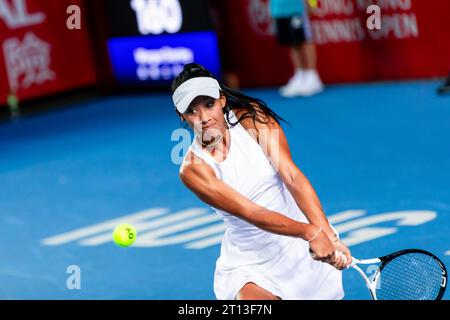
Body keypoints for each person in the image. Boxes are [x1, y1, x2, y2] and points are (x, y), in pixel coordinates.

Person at [172, 63, 352, 300]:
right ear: (182, 116)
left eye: (209, 104)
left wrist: (327, 234)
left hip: (300, 248)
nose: (204, 118)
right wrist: (310, 232)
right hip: (252, 263)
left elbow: (291, 175)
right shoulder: (193, 169)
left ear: (222, 100)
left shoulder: (252, 118)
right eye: (192, 111)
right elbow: (251, 211)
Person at [269, 0, 323, 97]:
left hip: (297, 8)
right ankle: (300, 74)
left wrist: (312, 3)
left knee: (305, 40)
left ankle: (312, 76)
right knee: (292, 42)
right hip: (279, 9)